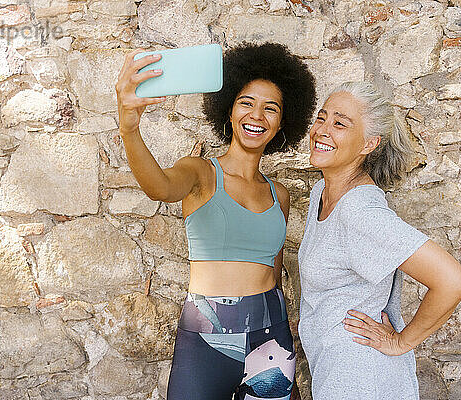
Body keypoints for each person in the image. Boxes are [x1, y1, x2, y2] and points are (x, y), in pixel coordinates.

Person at [114, 42, 316, 400]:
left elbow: (275, 272)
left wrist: (287, 357)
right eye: (246, 103)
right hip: (206, 338)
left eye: (271, 108)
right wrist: (130, 128)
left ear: (283, 123)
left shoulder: (279, 194)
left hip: (271, 335)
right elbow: (159, 187)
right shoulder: (201, 173)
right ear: (228, 110)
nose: (257, 115)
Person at [297, 81, 461, 399]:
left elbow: (452, 281)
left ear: (368, 144)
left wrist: (401, 341)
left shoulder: (361, 213)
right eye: (322, 117)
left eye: (340, 123)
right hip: (335, 370)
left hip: (361, 377)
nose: (322, 129)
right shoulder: (321, 193)